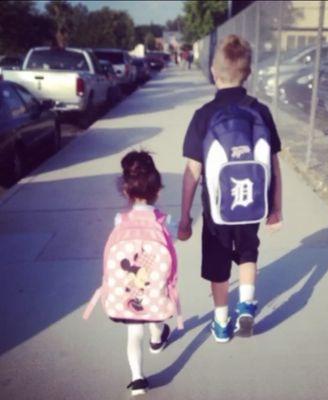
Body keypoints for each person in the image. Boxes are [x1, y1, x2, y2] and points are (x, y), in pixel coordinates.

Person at [178, 35, 283, 342]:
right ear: (247, 73)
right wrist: (276, 208)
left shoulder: (204, 115)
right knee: (248, 250)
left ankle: (222, 323)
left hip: (216, 210)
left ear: (213, 70)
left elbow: (192, 172)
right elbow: (274, 165)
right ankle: (247, 303)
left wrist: (185, 218)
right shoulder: (260, 111)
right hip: (252, 201)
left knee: (218, 263)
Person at [114, 150, 177, 396]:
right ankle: (157, 339)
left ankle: (137, 378)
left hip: (129, 285)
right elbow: (170, 248)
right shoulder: (163, 219)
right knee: (155, 311)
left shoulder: (119, 219)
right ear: (158, 190)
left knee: (133, 332)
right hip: (154, 281)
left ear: (126, 191)